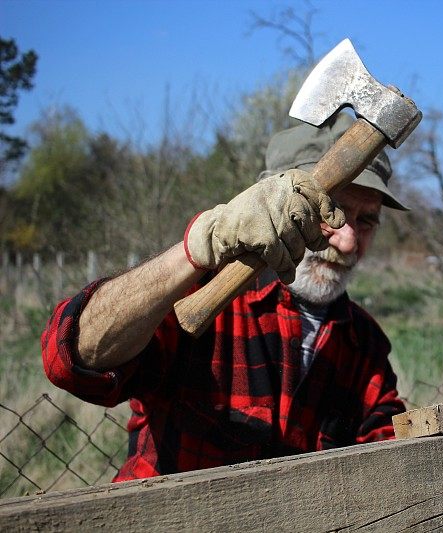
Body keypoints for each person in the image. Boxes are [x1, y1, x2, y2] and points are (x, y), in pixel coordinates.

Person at [41, 113, 408, 481]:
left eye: (366, 221)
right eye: (331, 211)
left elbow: (391, 447)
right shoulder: (192, 300)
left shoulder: (364, 341)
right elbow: (72, 359)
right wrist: (198, 248)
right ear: (272, 202)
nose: (347, 241)